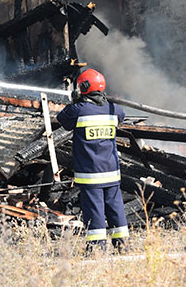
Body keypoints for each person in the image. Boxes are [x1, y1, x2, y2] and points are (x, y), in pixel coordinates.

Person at [56, 68, 128, 252]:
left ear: (84, 88)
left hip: (91, 173)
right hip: (111, 170)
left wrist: (74, 100)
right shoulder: (113, 109)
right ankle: (123, 245)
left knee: (94, 209)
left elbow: (62, 119)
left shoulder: (78, 110)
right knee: (115, 207)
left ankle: (96, 248)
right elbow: (121, 116)